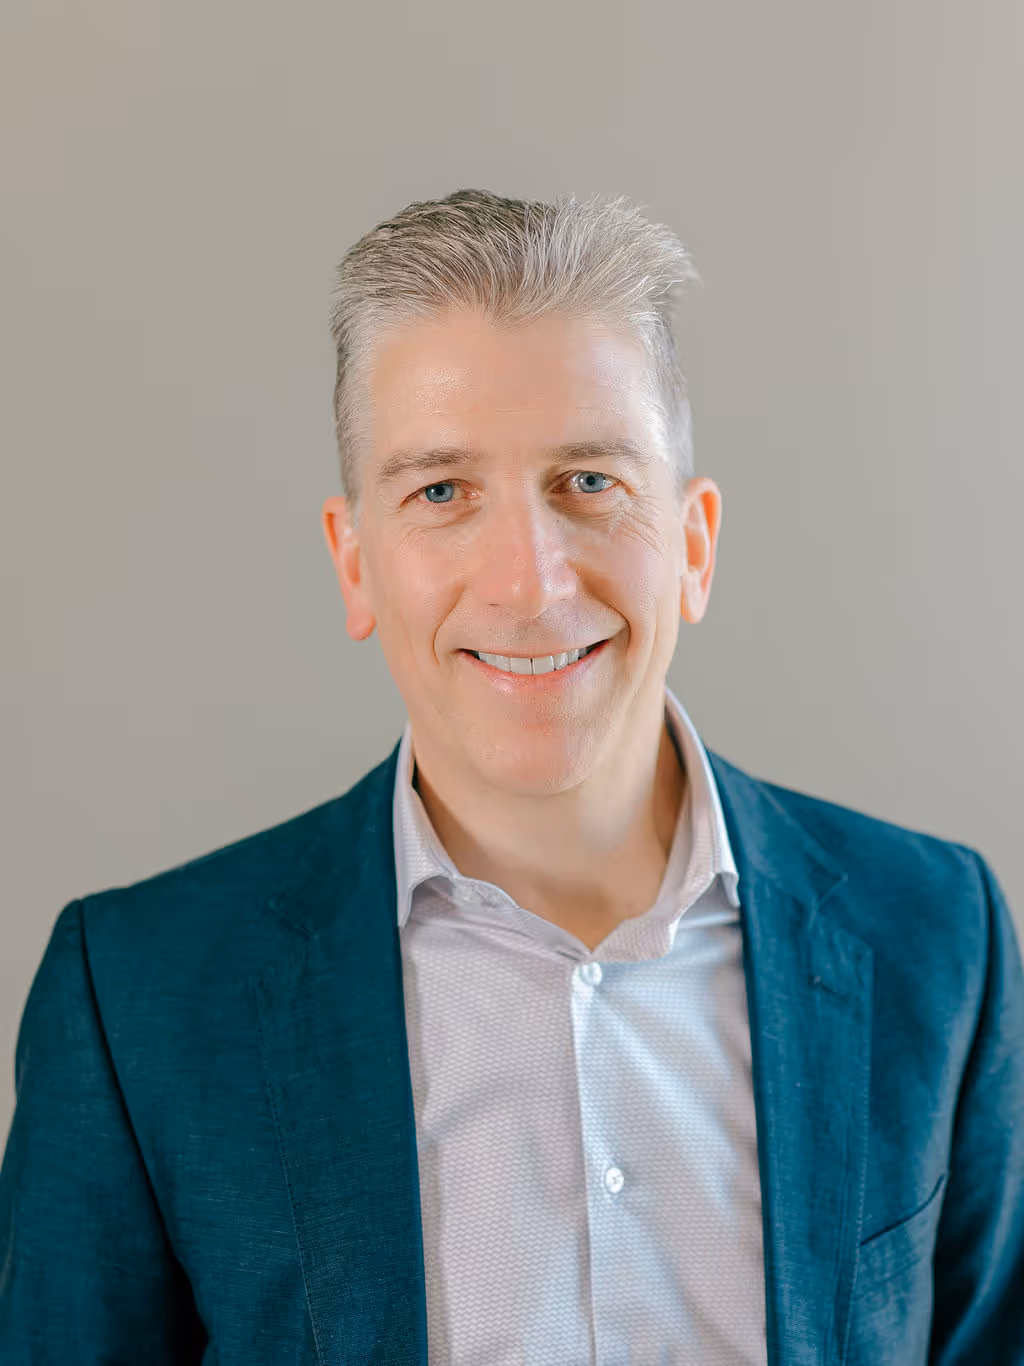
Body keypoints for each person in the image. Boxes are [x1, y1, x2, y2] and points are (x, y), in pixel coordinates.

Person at [1, 188, 1022, 1366]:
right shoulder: (138, 999)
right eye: (441, 492)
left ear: (691, 545)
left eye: (588, 482)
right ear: (355, 565)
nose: (528, 582)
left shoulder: (938, 939)